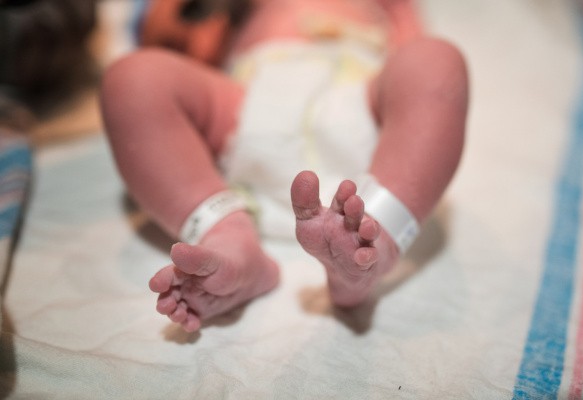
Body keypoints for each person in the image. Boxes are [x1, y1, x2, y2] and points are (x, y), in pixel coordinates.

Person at [100, 0, 468, 332]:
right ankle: (225, 232)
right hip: (248, 103)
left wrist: (411, 71)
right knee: (132, 79)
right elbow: (186, 40)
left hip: (359, 98)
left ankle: (378, 238)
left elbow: (408, 36)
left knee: (435, 59)